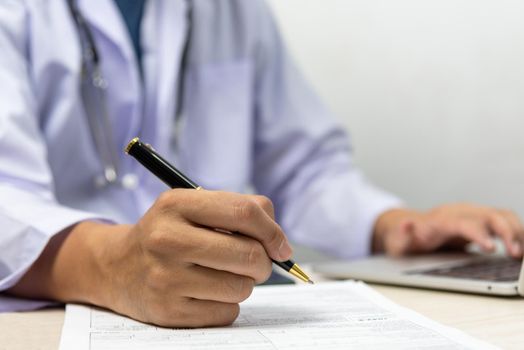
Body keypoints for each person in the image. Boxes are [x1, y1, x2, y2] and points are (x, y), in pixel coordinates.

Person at [0, 0, 522, 327]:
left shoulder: (233, 8)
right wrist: (108, 264)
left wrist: (395, 226)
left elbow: (304, 167)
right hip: (46, 319)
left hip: (227, 309)